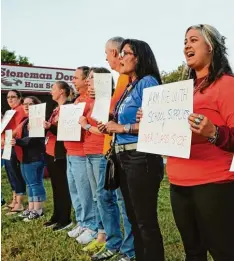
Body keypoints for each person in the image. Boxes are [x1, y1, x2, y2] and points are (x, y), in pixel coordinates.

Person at [166, 24, 234, 261]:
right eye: (185, 41)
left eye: (193, 40)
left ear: (211, 47)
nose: (187, 45)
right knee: (192, 252)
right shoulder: (181, 92)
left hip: (213, 183)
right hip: (177, 182)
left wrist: (213, 132)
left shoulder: (226, 84)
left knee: (223, 251)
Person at [101, 39, 165, 261]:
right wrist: (111, 123)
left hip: (141, 157)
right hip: (124, 156)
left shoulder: (148, 82)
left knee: (144, 220)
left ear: (138, 57)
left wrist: (122, 127)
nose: (120, 58)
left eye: (125, 53)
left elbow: (157, 122)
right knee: (132, 217)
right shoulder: (130, 85)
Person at [90, 37, 135, 261]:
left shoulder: (131, 79)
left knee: (122, 202)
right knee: (104, 196)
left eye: (107, 53)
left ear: (117, 53)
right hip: (110, 150)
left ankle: (128, 250)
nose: (105, 58)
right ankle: (114, 242)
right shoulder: (119, 81)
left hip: (124, 152)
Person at [65, 66, 97, 243]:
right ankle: (82, 221)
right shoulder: (77, 101)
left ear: (86, 80)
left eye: (76, 78)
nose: (73, 81)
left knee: (86, 192)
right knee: (75, 190)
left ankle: (91, 225)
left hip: (82, 152)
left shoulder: (91, 100)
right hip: (70, 150)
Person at [43, 81, 72, 231]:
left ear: (62, 91)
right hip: (50, 151)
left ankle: (64, 218)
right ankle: (56, 215)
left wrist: (51, 127)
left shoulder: (68, 107)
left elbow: (66, 130)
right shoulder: (56, 109)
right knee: (55, 186)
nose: (50, 92)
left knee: (62, 186)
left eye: (53, 89)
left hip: (60, 153)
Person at [11, 96, 46, 221]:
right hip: (25, 157)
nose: (26, 106)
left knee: (35, 183)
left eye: (30, 104)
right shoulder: (26, 120)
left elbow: (32, 139)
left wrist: (16, 141)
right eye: (25, 104)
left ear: (37, 106)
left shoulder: (38, 120)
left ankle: (38, 210)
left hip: (35, 157)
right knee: (30, 183)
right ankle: (31, 208)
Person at [3, 89, 26, 214]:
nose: (10, 99)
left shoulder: (22, 109)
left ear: (19, 98)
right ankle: (14, 200)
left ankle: (20, 203)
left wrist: (11, 136)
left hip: (15, 144)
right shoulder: (9, 112)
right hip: (7, 144)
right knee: (10, 172)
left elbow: (21, 126)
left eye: (13, 97)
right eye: (8, 97)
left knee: (15, 173)